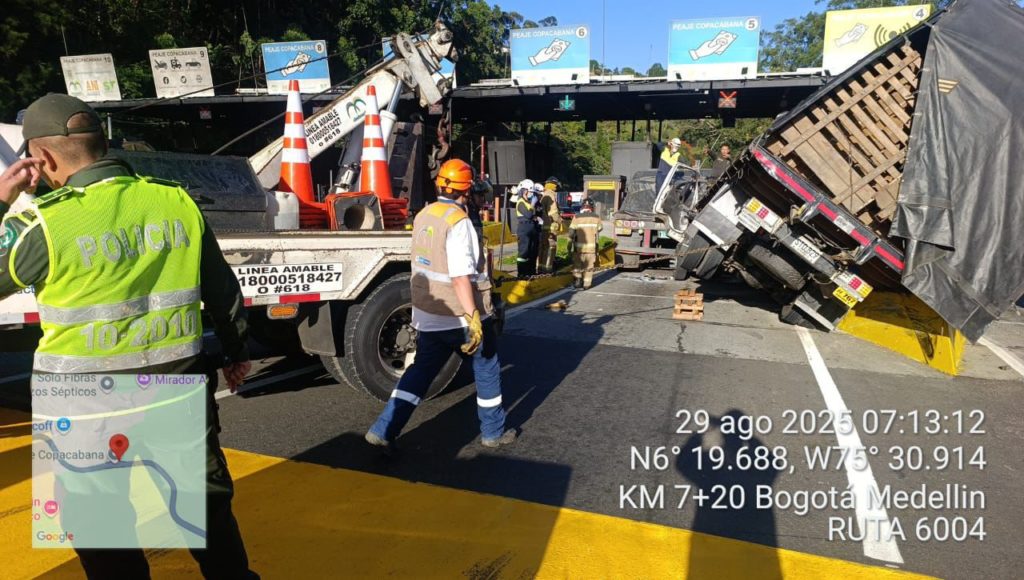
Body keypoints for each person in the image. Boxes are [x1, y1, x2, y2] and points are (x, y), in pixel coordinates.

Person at [0, 94, 257, 579]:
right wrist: (235, 351)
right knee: (203, 506)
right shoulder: (174, 200)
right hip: (176, 387)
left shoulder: (43, 223)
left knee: (100, 524)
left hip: (82, 405)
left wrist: (3, 199)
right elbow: (222, 288)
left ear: (43, 157)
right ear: (104, 142)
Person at [366, 158, 515, 452]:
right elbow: (460, 277)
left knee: (420, 371)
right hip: (459, 315)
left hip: (428, 312)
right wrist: (473, 317)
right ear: (466, 190)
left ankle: (383, 430)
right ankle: (493, 433)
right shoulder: (459, 223)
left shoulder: (425, 214)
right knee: (486, 367)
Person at [569, 198, 603, 290]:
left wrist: (570, 243)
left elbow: (571, 232)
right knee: (589, 266)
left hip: (578, 248)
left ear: (582, 206)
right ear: (592, 207)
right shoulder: (596, 217)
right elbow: (600, 228)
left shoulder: (577, 217)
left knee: (577, 265)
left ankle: (578, 281)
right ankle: (587, 284)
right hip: (591, 249)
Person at [513, 178, 540, 278]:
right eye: (530, 191)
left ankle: (531, 272)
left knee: (532, 251)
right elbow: (528, 214)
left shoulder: (527, 202)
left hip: (531, 227)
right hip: (524, 228)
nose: (531, 194)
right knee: (524, 252)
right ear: (525, 191)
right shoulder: (520, 202)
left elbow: (532, 214)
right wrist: (532, 205)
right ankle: (522, 273)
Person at [537, 176, 564, 274]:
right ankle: (547, 270)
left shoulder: (544, 194)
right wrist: (560, 221)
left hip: (543, 227)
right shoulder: (551, 195)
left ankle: (540, 268)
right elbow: (554, 213)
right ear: (554, 185)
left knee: (542, 248)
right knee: (550, 248)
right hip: (550, 227)